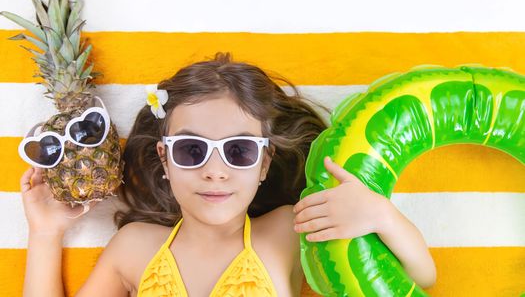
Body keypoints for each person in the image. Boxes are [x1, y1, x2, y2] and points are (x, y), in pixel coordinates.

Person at [20, 53, 436, 297]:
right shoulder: (134, 248)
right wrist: (44, 233)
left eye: (238, 151)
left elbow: (420, 278)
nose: (215, 171)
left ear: (265, 163)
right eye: (191, 150)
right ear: (164, 160)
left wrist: (382, 216)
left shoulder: (293, 229)